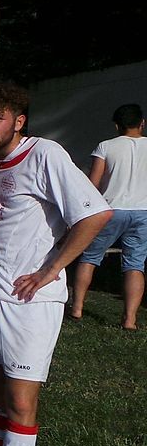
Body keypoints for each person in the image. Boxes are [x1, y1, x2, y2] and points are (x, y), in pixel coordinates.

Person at [0, 82, 111, 446]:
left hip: (29, 302)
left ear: (19, 120)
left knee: (22, 403)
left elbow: (95, 214)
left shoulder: (43, 153)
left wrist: (51, 269)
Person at [69, 103, 147, 330]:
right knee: (135, 264)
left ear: (116, 125)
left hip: (111, 209)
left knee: (89, 257)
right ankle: (130, 320)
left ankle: (77, 308)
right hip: (143, 212)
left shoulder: (105, 146)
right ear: (142, 123)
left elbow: (93, 184)